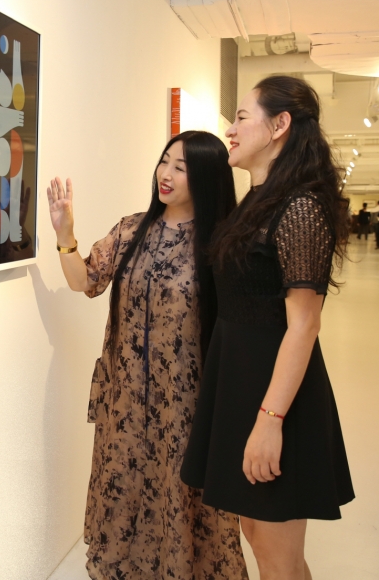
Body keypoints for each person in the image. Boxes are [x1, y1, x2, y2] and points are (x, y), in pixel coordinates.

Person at [47, 131, 247, 579]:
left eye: (181, 167)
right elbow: (85, 281)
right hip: (125, 404)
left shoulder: (222, 243)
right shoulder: (131, 229)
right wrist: (65, 234)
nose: (165, 174)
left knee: (182, 498)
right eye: (164, 161)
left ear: (207, 177)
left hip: (185, 406)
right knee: (126, 492)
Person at [181, 76, 354, 580]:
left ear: (279, 125)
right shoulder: (256, 202)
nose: (230, 130)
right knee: (260, 538)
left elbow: (304, 324)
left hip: (277, 395)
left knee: (277, 556)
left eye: (240, 117)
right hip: (240, 384)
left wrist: (270, 420)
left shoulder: (300, 207)